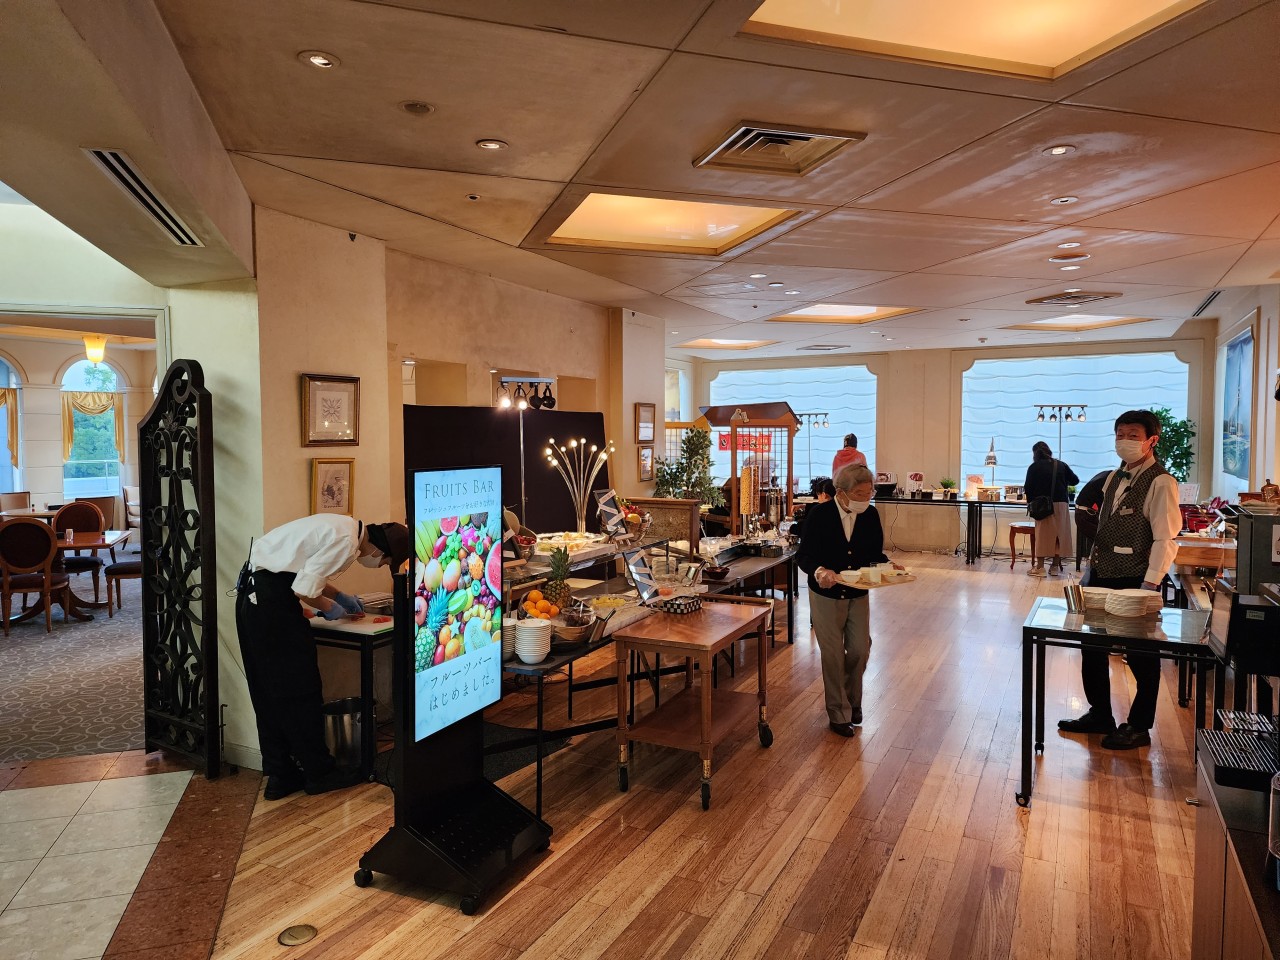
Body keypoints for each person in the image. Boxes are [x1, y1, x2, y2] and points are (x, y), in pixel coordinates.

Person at [236, 514, 410, 800]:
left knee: (268, 691)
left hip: (253, 597)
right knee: (301, 688)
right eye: (385, 561)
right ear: (380, 550)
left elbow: (306, 572)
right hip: (271, 603)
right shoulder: (346, 541)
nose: (380, 565)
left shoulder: (344, 526)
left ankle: (281, 774)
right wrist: (330, 607)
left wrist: (340, 596)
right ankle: (319, 773)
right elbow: (303, 588)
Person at [1058, 410, 1181, 750]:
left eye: (1133, 434)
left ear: (1151, 440)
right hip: (1101, 574)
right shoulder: (1113, 476)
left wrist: (1150, 585)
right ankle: (1100, 714)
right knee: (1092, 647)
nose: (1124, 440)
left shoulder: (1161, 482)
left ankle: (1139, 726)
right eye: (1120, 434)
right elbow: (1105, 524)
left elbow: (1166, 538)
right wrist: (1089, 570)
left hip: (1136, 578)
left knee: (1141, 654)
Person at [797, 464, 898, 737]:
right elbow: (804, 556)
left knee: (859, 649)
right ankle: (839, 712)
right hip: (825, 594)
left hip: (858, 591)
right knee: (832, 654)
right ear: (841, 493)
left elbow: (874, 554)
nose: (865, 499)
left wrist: (889, 566)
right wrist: (820, 571)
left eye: (869, 493)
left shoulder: (870, 515)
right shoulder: (820, 515)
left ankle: (851, 699)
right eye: (859, 494)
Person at [1023, 441, 1078, 577]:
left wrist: (1031, 504)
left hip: (1043, 505)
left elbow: (1028, 487)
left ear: (1035, 454)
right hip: (1062, 504)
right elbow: (1075, 480)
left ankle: (1040, 568)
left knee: (1042, 536)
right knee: (1059, 536)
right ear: (1049, 451)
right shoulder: (1061, 465)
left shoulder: (1034, 467)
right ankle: (1054, 567)